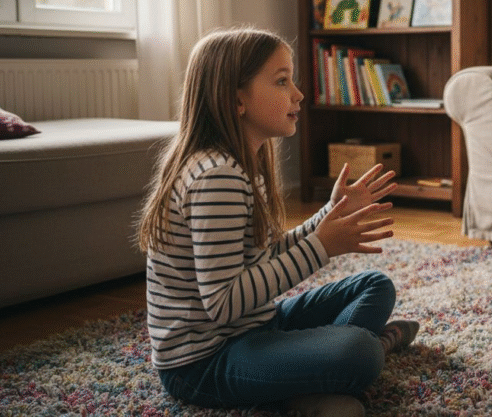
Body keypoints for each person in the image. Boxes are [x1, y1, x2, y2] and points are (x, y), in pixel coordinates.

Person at [136, 27, 418, 417]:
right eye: (282, 81)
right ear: (238, 100)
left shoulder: (237, 166)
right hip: (203, 364)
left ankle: (300, 375)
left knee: (374, 285)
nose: (299, 94)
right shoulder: (216, 177)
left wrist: (327, 215)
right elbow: (223, 304)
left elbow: (261, 256)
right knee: (361, 351)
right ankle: (307, 383)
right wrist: (322, 246)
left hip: (254, 327)